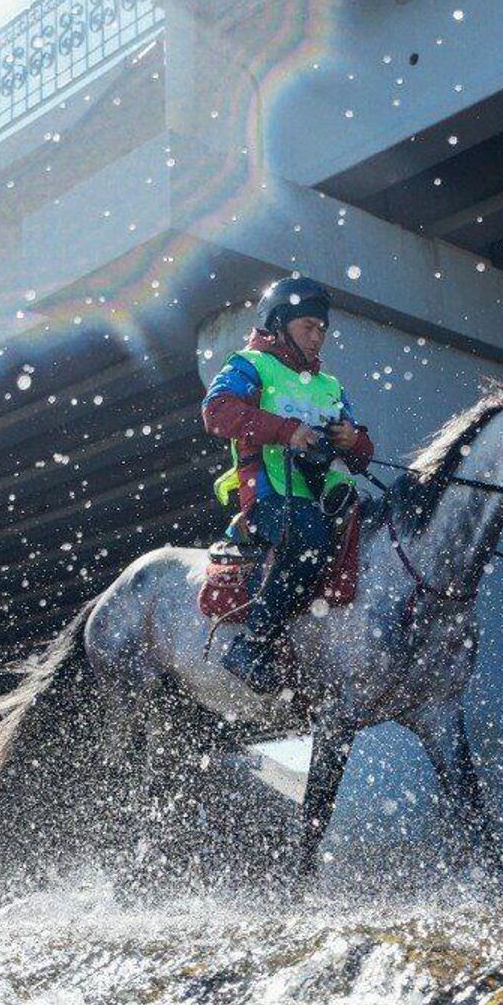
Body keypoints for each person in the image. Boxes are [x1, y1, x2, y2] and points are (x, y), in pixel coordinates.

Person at [202, 275, 374, 693]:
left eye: (322, 330)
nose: (317, 338)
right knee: (309, 536)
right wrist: (285, 431)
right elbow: (217, 411)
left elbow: (362, 452)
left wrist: (353, 440)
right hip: (270, 492)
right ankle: (253, 644)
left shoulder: (330, 385)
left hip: (325, 493)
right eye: (307, 328)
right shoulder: (250, 364)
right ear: (279, 325)